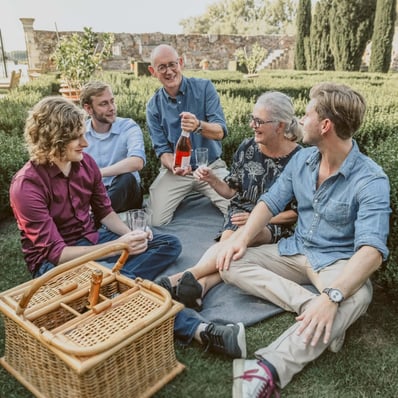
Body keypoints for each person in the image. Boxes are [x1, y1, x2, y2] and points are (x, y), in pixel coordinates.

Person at [215, 82, 391, 397]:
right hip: (294, 251)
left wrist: (334, 293)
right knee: (229, 261)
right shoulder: (303, 160)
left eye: (306, 114)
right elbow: (270, 202)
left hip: (334, 262)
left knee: (359, 294)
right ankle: (314, 306)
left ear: (325, 126)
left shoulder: (371, 179)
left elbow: (372, 251)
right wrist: (241, 239)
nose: (300, 120)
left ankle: (266, 368)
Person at [156, 91, 302, 311]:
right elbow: (230, 192)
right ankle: (200, 288)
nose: (252, 125)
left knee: (235, 241)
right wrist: (212, 179)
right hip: (240, 211)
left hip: (275, 222)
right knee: (228, 250)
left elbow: (297, 213)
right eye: (252, 119)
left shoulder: (300, 159)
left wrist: (256, 218)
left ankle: (182, 277)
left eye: (259, 121)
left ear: (280, 126)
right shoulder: (247, 148)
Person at [9, 96, 182, 281]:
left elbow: (105, 212)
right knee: (104, 269)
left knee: (168, 244)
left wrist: (130, 235)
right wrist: (115, 247)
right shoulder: (26, 186)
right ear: (54, 140)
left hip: (92, 239)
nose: (85, 143)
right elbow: (57, 254)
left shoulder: (87, 164)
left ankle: (112, 280)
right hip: (54, 263)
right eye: (77, 138)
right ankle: (114, 280)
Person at [146, 44, 230, 226]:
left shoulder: (205, 88)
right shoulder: (153, 106)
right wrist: (175, 166)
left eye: (172, 64)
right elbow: (162, 151)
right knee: (155, 221)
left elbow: (221, 132)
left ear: (181, 63)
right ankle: (188, 194)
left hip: (210, 168)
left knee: (238, 211)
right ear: (153, 71)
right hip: (177, 172)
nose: (169, 71)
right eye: (162, 67)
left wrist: (198, 125)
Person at [81, 81, 145, 214]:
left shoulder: (128, 126)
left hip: (127, 192)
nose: (112, 108)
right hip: (95, 193)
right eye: (104, 104)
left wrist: (98, 173)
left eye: (112, 101)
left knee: (126, 178)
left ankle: (94, 220)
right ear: (88, 109)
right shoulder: (80, 134)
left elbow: (137, 162)